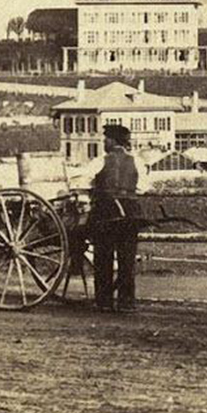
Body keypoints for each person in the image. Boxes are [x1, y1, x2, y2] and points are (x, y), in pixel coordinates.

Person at [90, 124, 143, 313]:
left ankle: (104, 301)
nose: (104, 142)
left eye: (106, 139)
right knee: (127, 258)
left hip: (106, 210)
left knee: (103, 256)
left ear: (112, 141)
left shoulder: (100, 160)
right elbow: (144, 186)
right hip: (130, 211)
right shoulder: (137, 161)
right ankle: (126, 302)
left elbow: (84, 179)